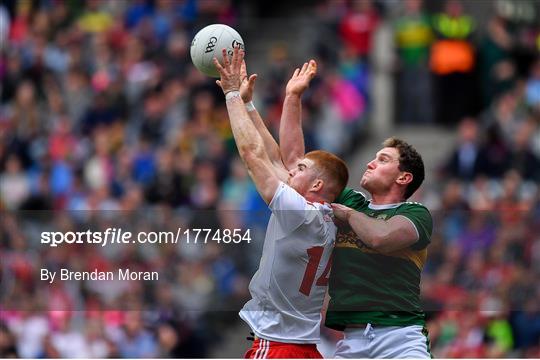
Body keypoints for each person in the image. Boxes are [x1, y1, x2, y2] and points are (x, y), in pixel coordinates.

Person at [279, 61, 433, 358]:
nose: (371, 162)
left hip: (400, 338)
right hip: (352, 340)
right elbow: (295, 162)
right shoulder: (352, 201)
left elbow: (381, 238)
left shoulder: (416, 214)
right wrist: (293, 98)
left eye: (383, 159)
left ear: (404, 178)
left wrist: (346, 215)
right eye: (373, 157)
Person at [212, 47, 349, 358]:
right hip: (303, 348)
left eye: (300, 169)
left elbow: (254, 156)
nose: (291, 169)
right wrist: (251, 105)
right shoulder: (321, 214)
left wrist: (232, 95)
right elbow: (279, 156)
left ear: (316, 185)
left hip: (277, 347)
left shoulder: (299, 212)